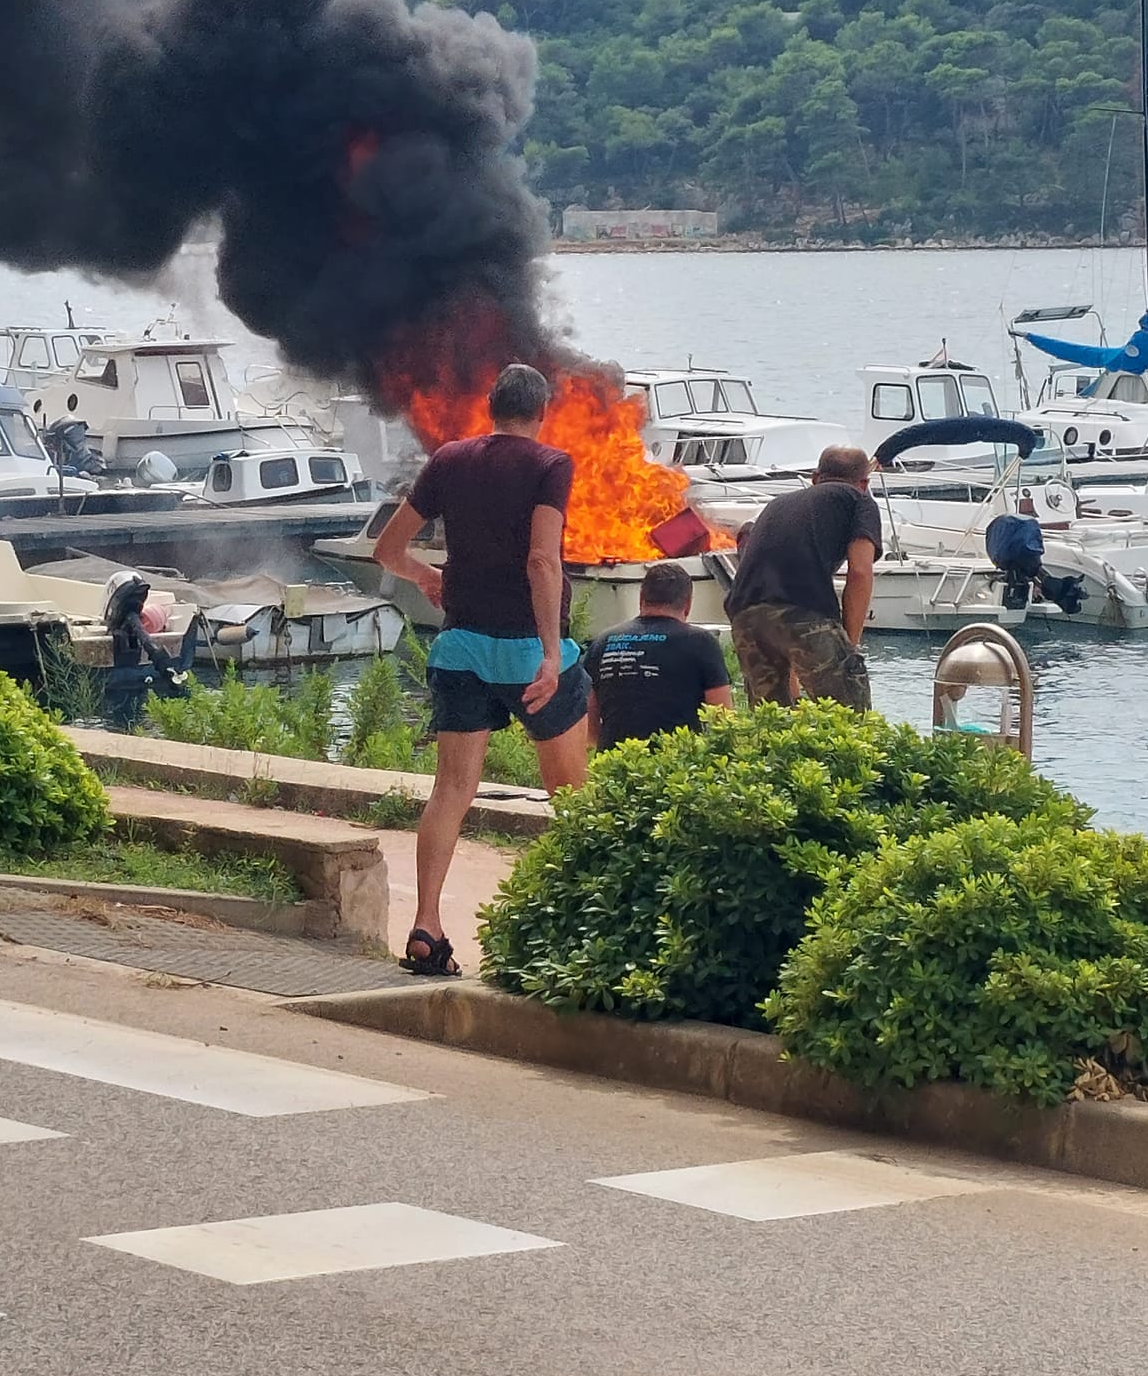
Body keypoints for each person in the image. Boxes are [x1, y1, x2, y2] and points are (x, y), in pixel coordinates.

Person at [373, 362, 591, 977]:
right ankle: (577, 927)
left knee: (450, 793)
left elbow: (388, 550)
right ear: (541, 412)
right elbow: (543, 563)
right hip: (526, 651)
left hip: (460, 648)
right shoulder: (551, 465)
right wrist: (551, 654)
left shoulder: (449, 459)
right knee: (570, 798)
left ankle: (426, 927)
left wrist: (426, 577)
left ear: (490, 408)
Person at [723, 445, 881, 710]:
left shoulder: (777, 504)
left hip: (745, 614)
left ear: (815, 478)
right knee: (847, 716)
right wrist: (849, 646)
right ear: (864, 483)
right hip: (804, 609)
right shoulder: (859, 500)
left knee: (772, 722)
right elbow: (860, 572)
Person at [583, 560, 734, 751]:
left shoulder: (603, 642)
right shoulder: (701, 643)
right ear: (687, 604)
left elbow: (588, 719)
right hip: (676, 768)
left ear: (641, 598)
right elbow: (722, 718)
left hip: (614, 768)